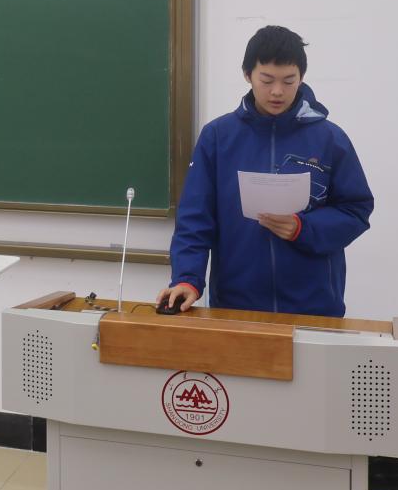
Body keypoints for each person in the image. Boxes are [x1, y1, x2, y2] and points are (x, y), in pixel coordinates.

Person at [157, 25, 373, 318]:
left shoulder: (330, 138)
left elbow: (356, 210)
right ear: (248, 75)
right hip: (235, 306)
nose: (277, 91)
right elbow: (195, 218)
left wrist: (303, 228)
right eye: (267, 80)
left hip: (314, 306)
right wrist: (187, 278)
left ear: (302, 77)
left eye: (289, 81)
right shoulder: (218, 137)